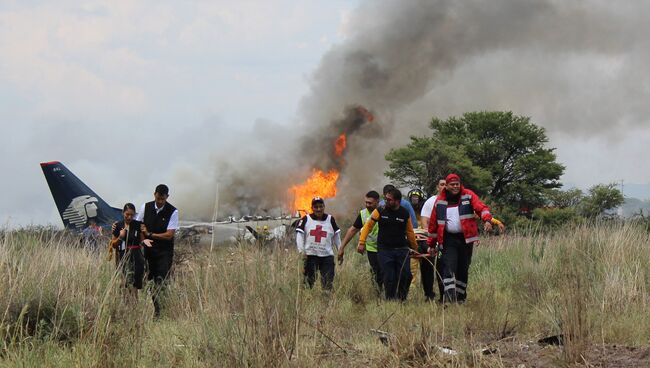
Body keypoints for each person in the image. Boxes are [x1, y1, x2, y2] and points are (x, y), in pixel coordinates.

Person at [426, 173, 501, 304]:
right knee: (448, 268)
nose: (455, 187)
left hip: (466, 240)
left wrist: (487, 220)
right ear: (447, 186)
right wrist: (431, 244)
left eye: (457, 184)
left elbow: (481, 208)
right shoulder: (440, 202)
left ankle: (461, 298)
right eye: (452, 184)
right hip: (448, 240)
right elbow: (433, 225)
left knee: (463, 269)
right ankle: (449, 299)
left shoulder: (468, 195)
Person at [359, 188, 418, 301]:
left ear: (397, 201)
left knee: (406, 276)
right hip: (385, 250)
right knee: (389, 276)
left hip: (402, 249)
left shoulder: (404, 213)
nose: (386, 202)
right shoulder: (380, 210)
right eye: (386, 199)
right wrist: (362, 242)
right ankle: (390, 300)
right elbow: (368, 226)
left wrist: (415, 247)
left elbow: (410, 232)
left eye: (389, 200)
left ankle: (402, 299)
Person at [136, 184, 179, 318]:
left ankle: (160, 312)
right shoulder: (146, 207)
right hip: (148, 251)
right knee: (148, 280)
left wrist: (151, 234)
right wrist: (144, 240)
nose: (160, 201)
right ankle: (150, 310)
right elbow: (139, 225)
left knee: (161, 281)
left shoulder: (173, 211)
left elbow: (169, 234)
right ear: (154, 194)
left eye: (163, 199)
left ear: (167, 197)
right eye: (158, 198)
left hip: (164, 253)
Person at [337, 190, 383, 292]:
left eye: (370, 203)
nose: (367, 205)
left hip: (385, 248)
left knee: (386, 272)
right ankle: (378, 294)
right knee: (376, 272)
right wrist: (342, 248)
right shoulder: (363, 214)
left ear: (377, 202)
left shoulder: (384, 212)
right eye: (366, 202)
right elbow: (352, 230)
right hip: (372, 248)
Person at [296, 197, 341, 291]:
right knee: (309, 283)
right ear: (312, 208)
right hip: (311, 256)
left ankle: (326, 302)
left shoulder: (330, 219)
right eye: (316, 207)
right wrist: (301, 251)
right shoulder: (306, 219)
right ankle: (308, 301)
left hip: (327, 256)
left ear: (324, 207)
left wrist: (340, 250)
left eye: (321, 206)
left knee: (328, 282)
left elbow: (336, 236)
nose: (318, 209)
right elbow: (299, 235)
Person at [110, 203, 150, 298]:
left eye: (132, 215)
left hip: (136, 257)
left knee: (134, 284)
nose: (129, 217)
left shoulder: (138, 225)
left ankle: (134, 305)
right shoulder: (118, 225)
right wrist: (120, 237)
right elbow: (114, 244)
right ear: (123, 213)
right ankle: (125, 305)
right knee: (124, 282)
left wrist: (146, 240)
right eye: (127, 214)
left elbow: (142, 240)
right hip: (122, 257)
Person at [418, 178, 447, 301]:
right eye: (442, 184)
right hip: (432, 239)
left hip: (448, 240)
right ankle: (429, 294)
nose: (444, 187)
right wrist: (432, 241)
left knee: (444, 268)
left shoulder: (455, 200)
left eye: (447, 184)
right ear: (437, 187)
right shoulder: (431, 201)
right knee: (428, 266)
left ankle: (445, 295)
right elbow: (425, 222)